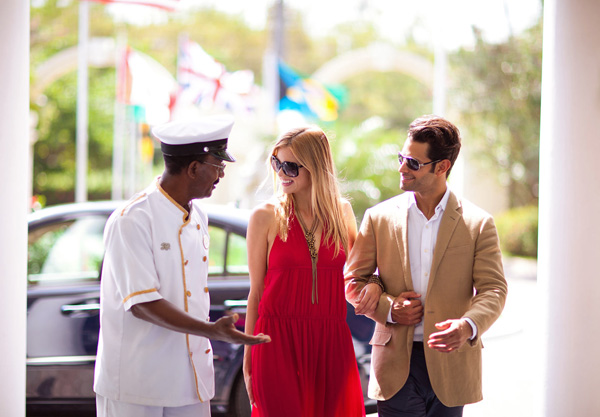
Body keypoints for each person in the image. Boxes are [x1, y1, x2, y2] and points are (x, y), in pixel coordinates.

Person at [93, 115, 270, 417]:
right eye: (219, 166)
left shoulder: (198, 215)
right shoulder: (133, 218)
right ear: (193, 168)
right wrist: (211, 330)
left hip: (189, 380)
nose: (222, 175)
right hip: (138, 383)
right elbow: (142, 303)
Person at [345, 115, 507, 417]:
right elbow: (352, 281)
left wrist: (467, 325)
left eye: (413, 163)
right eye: (401, 158)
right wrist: (389, 308)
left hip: (452, 361)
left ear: (441, 167)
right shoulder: (378, 218)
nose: (402, 168)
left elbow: (494, 290)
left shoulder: (478, 223)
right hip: (396, 365)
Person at [243, 127, 366, 417]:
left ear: (315, 168)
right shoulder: (264, 216)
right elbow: (256, 293)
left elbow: (362, 274)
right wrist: (249, 359)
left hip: (331, 340)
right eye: (276, 163)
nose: (281, 172)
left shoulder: (342, 213)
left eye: (290, 166)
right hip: (275, 342)